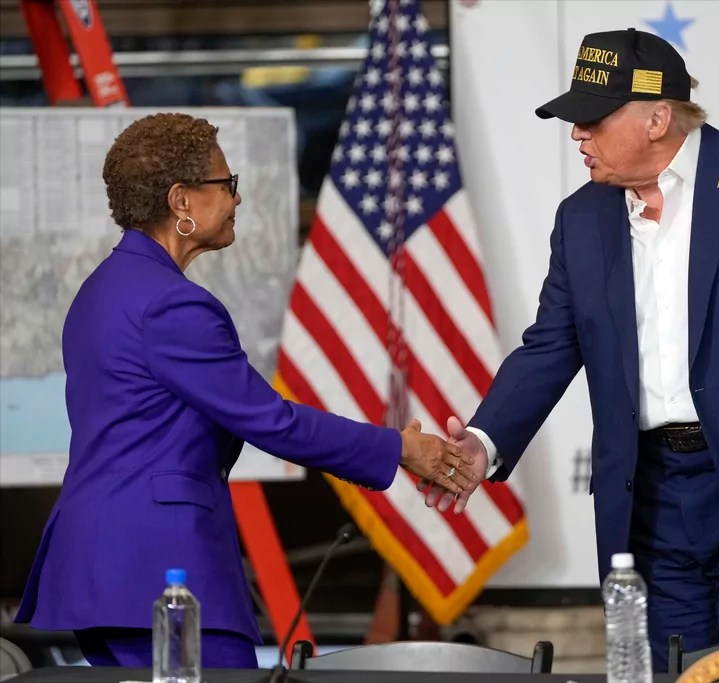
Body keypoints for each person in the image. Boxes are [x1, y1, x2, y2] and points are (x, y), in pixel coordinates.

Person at [420, 29, 719, 670]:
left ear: (657, 117)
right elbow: (550, 346)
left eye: (591, 119)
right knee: (668, 668)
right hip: (649, 496)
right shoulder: (581, 218)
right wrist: (481, 444)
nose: (576, 136)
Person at [14, 113, 475, 669]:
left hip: (100, 568)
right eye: (226, 184)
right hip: (159, 570)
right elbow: (271, 420)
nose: (237, 199)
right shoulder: (171, 305)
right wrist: (401, 449)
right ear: (181, 199)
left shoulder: (100, 290)